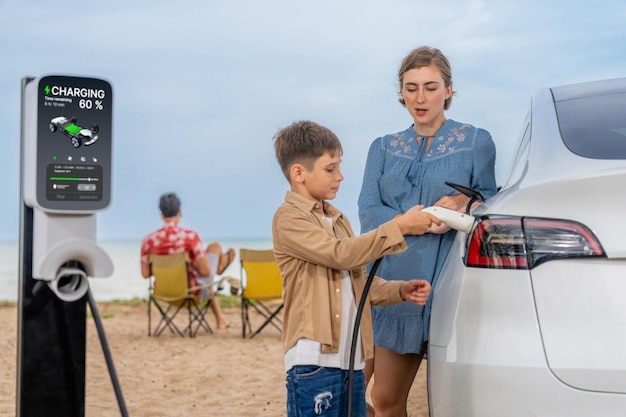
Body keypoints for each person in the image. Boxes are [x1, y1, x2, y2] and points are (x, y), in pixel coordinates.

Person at [358, 46, 498, 416]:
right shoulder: (383, 148)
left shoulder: (476, 141)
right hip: (392, 283)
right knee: (385, 400)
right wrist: (410, 221)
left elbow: (492, 205)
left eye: (431, 87)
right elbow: (368, 211)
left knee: (449, 405)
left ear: (449, 90)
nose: (420, 98)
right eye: (411, 87)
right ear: (400, 91)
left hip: (453, 284)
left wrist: (461, 204)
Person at [272, 120, 442, 417]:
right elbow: (340, 255)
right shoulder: (289, 219)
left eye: (339, 167)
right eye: (329, 169)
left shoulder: (337, 220)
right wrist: (399, 226)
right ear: (298, 173)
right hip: (314, 360)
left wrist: (398, 290)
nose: (339, 176)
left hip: (350, 361)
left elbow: (356, 282)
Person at [140, 192, 234, 330]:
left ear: (161, 215)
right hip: (191, 292)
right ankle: (220, 265)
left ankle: (221, 320)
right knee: (214, 248)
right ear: (180, 212)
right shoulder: (190, 237)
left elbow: (145, 273)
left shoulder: (148, 241)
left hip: (163, 293)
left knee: (206, 274)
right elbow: (206, 272)